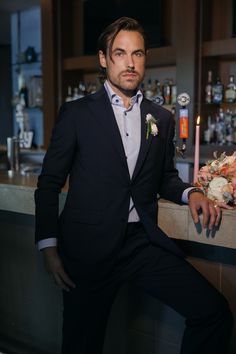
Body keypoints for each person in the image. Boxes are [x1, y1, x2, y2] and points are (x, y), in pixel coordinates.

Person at [35, 17, 233, 354]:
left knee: (213, 312)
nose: (130, 63)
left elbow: (165, 178)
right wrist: (49, 248)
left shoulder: (161, 118)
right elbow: (49, 183)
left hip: (140, 245)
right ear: (104, 59)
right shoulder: (76, 114)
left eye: (138, 54)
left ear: (145, 59)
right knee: (82, 345)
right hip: (86, 250)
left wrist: (193, 192)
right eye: (120, 53)